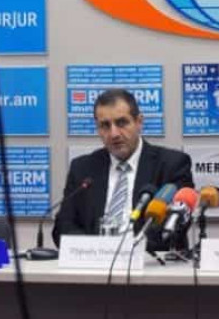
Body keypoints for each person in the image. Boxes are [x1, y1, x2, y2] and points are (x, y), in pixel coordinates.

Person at [52, 88, 193, 251]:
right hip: (95, 261)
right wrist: (95, 251)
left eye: (121, 123)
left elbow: (176, 227)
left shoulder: (171, 164)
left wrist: (128, 251)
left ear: (139, 122)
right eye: (105, 125)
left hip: (149, 262)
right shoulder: (82, 168)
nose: (114, 134)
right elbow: (63, 226)